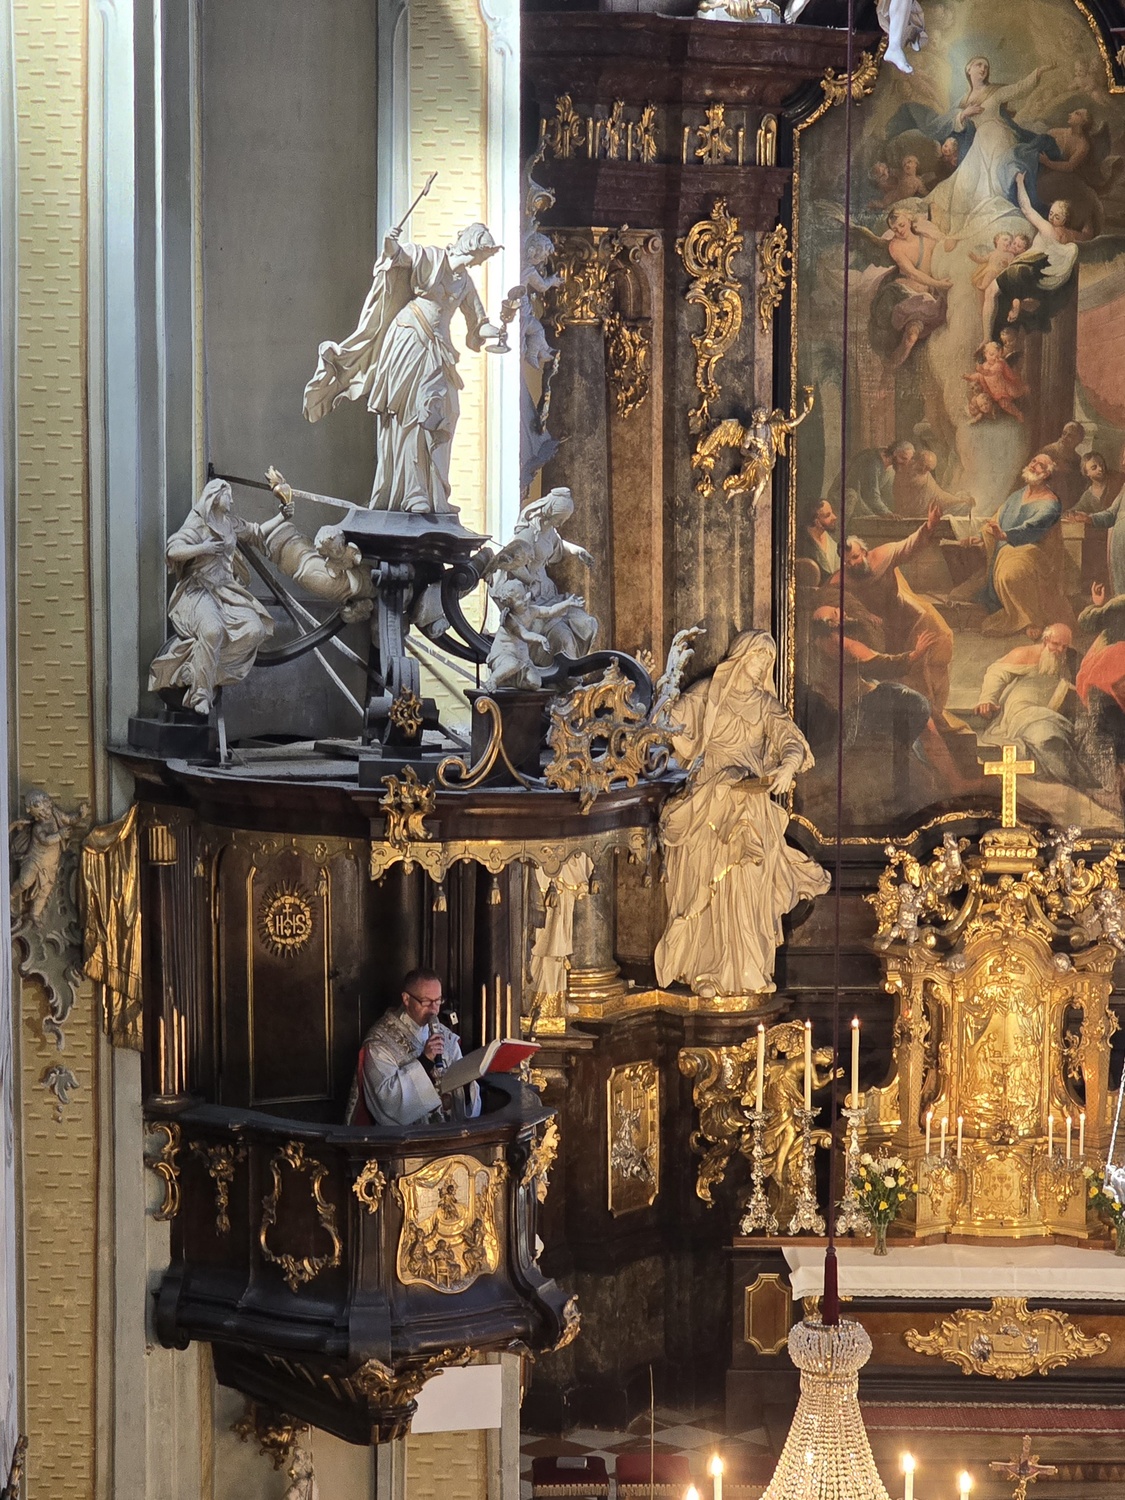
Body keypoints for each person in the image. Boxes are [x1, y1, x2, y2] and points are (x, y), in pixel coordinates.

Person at [655, 631, 830, 999]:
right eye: (759, 657)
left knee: (749, 886)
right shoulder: (707, 693)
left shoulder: (765, 705)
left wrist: (787, 767)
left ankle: (747, 969)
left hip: (749, 802)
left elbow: (792, 742)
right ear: (741, 656)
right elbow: (667, 723)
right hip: (709, 801)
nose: (764, 665)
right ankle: (707, 970)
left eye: (769, 660)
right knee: (707, 882)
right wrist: (665, 687)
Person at [303, 222, 507, 513]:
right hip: (411, 338)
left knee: (447, 411)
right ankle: (412, 493)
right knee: (412, 413)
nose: (482, 261)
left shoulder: (465, 282)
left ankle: (435, 492)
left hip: (438, 349)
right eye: (483, 255)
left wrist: (498, 331)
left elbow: (478, 324)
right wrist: (390, 241)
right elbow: (397, 256)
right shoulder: (430, 258)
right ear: (473, 246)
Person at [147, 479, 275, 717]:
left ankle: (198, 670)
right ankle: (201, 693)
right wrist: (202, 548)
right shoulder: (198, 523)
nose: (232, 500)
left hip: (226, 591)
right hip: (198, 590)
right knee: (212, 630)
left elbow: (257, 531)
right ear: (215, 497)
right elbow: (173, 550)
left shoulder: (229, 523)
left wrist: (283, 516)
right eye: (228, 495)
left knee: (255, 631)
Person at [346, 968, 481, 1127]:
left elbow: (463, 1094)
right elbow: (388, 1104)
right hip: (406, 1139)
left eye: (438, 1001)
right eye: (426, 1002)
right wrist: (425, 1061)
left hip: (446, 1134)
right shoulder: (380, 1043)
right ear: (406, 999)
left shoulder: (446, 1037)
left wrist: (467, 1086)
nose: (434, 1009)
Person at [975, 624, 1097, 790]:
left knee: (1059, 738)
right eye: (1056, 644)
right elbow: (996, 672)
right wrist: (987, 699)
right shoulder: (1026, 653)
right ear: (1045, 640)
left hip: (1050, 713)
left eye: (1065, 646)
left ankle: (1078, 783)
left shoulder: (1070, 658)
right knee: (1046, 736)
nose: (1060, 650)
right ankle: (1075, 782)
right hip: (1022, 711)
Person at [979, 454, 1075, 639]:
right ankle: (1022, 617)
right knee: (1005, 569)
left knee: (1010, 574)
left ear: (1046, 474)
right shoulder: (1017, 496)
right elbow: (996, 519)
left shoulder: (1051, 502)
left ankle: (1032, 620)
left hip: (1037, 553)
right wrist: (981, 536)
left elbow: (1033, 528)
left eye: (1041, 465)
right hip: (1008, 548)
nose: (1034, 465)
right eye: (1033, 461)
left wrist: (1005, 535)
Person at [797, 497, 840, 581]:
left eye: (832, 512)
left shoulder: (832, 539)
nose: (835, 517)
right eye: (828, 515)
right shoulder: (802, 544)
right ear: (817, 522)